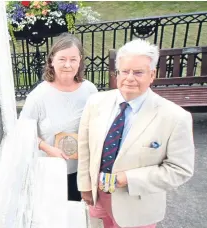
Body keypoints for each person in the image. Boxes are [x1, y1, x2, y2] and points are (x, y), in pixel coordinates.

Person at [77, 39, 195, 228]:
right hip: (98, 198)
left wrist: (127, 179)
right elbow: (84, 148)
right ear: (117, 73)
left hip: (137, 208)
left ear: (152, 74)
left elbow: (180, 170)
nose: (130, 78)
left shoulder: (175, 117)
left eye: (138, 72)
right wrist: (84, 186)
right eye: (125, 71)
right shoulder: (95, 102)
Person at [19, 33, 98, 201]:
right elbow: (23, 132)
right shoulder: (38, 96)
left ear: (80, 61)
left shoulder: (90, 91)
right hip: (50, 170)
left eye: (73, 59)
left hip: (81, 171)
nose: (67, 65)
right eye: (62, 59)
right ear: (52, 60)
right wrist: (49, 149)